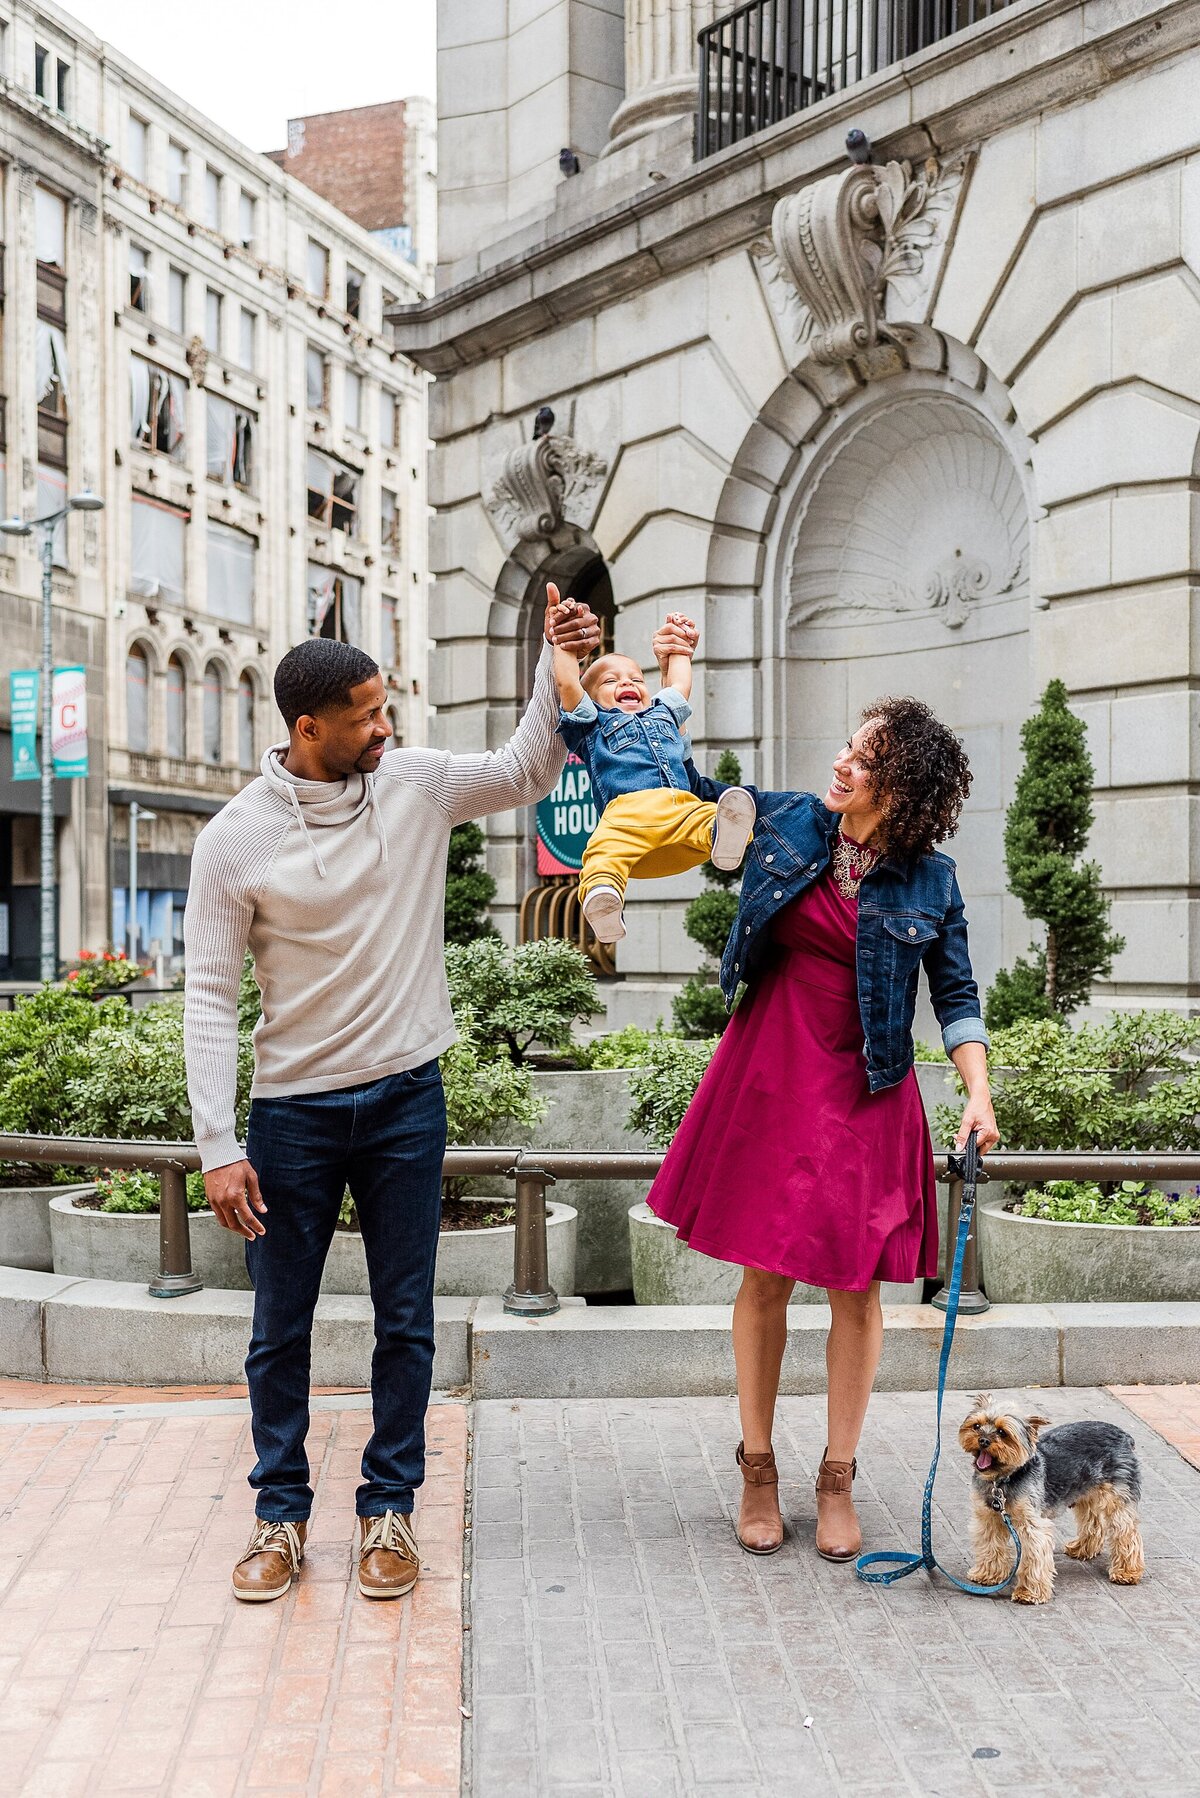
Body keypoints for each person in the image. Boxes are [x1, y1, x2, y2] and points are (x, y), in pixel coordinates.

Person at [183, 585, 599, 1604]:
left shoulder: (412, 783)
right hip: (292, 1114)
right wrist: (215, 1145)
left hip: (409, 1098)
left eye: (386, 708)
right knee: (278, 1325)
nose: (387, 726)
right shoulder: (234, 839)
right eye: (367, 715)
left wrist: (560, 665)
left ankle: (389, 1509)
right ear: (308, 727)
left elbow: (524, 769)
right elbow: (206, 996)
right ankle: (279, 1516)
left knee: (404, 1318)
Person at [646, 653, 999, 1563]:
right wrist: (668, 686)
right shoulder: (789, 821)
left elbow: (955, 993)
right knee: (764, 1273)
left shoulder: (931, 881)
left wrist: (978, 1092)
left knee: (855, 1287)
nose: (840, 762)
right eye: (846, 745)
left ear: (902, 787)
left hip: (868, 1086)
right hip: (769, 1073)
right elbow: (685, 786)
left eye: (863, 756)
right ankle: (757, 1467)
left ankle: (836, 1475)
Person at [553, 612, 755, 943]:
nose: (627, 683)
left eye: (635, 678)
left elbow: (679, 684)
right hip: (627, 819)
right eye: (610, 681)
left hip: (678, 812)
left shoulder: (663, 713)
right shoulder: (593, 725)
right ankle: (604, 901)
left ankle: (723, 834)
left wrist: (680, 646)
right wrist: (564, 644)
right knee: (602, 851)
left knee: (705, 812)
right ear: (590, 700)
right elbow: (567, 685)